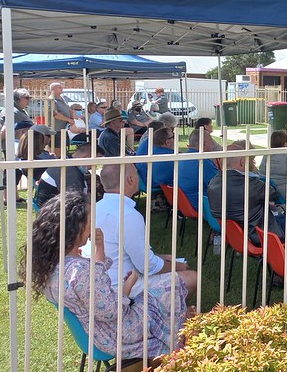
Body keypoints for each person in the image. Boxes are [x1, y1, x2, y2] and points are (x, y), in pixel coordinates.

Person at [26, 191, 189, 360]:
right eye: (90, 220)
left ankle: (179, 338)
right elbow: (112, 312)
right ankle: (176, 349)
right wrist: (128, 285)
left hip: (96, 332)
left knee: (161, 293)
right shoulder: (79, 271)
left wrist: (100, 247)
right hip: (116, 334)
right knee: (171, 283)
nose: (93, 224)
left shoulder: (55, 264)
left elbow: (95, 284)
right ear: (76, 227)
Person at [94, 164, 197, 298]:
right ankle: (167, 314)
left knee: (168, 261)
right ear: (130, 180)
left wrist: (163, 258)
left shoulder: (97, 207)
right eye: (137, 174)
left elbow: (133, 253)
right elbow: (147, 266)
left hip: (106, 279)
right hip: (122, 285)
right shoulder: (128, 215)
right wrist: (177, 266)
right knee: (192, 278)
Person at [208, 142, 287, 253]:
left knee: (282, 216)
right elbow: (275, 194)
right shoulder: (251, 184)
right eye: (250, 160)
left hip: (240, 234)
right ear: (243, 162)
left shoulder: (213, 183)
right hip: (261, 234)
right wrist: (251, 171)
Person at [35, 142, 104, 204]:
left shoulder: (67, 165)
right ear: (87, 157)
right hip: (55, 213)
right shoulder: (69, 172)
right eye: (95, 161)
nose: (93, 167)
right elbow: (75, 201)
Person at [177, 128, 219, 211]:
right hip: (201, 204)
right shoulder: (202, 162)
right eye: (211, 141)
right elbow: (219, 185)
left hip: (186, 202)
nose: (213, 145)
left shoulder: (182, 158)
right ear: (203, 144)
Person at [48, 82, 74, 157]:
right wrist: (68, 119)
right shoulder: (52, 100)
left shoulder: (63, 98)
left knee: (64, 149)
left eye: (61, 87)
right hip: (56, 129)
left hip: (63, 129)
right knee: (57, 150)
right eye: (59, 87)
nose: (62, 88)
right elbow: (55, 114)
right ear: (53, 89)